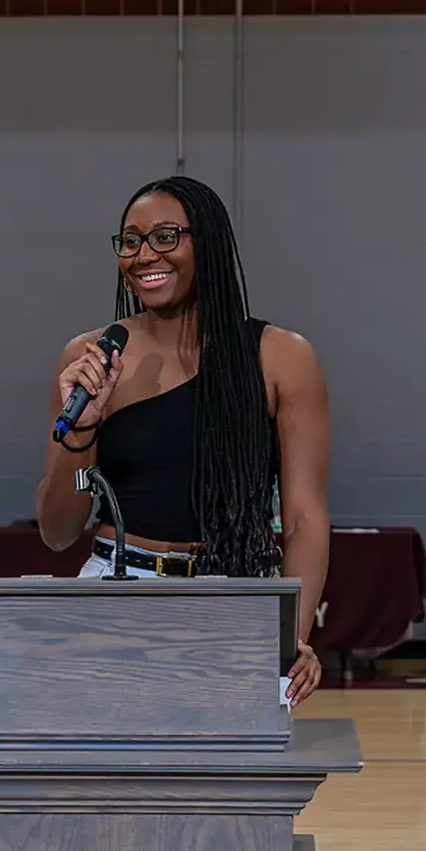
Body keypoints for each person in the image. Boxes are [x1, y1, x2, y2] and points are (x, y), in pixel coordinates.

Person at [34, 175, 331, 705]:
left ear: (208, 243)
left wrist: (291, 636)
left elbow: (305, 518)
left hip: (236, 593)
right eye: (131, 241)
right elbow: (57, 530)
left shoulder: (281, 356)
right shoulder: (90, 358)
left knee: (233, 760)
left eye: (165, 236)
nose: (145, 255)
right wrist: (82, 427)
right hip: (118, 589)